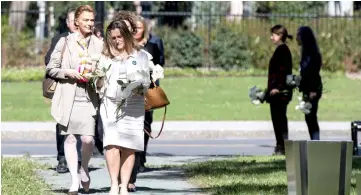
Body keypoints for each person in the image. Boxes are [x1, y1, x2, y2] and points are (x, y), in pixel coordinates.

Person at [46, 5, 103, 194]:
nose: (89, 23)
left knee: (87, 139)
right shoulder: (64, 42)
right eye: (85, 20)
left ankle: (84, 167)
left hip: (89, 97)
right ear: (76, 22)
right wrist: (68, 72)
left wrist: (95, 75)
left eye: (91, 20)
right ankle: (73, 180)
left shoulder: (99, 44)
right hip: (68, 95)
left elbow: (105, 70)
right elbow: (51, 68)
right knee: (70, 139)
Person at [97, 20, 150, 195]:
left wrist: (139, 86)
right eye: (113, 37)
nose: (116, 40)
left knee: (129, 145)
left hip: (133, 105)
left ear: (127, 36)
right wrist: (96, 78)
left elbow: (147, 82)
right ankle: (113, 184)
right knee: (111, 144)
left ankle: (124, 185)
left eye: (120, 36)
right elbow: (98, 83)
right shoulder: (104, 57)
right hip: (110, 103)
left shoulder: (140, 56)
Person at [44, 8, 77, 174]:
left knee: (81, 125)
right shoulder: (60, 39)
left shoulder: (89, 40)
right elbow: (48, 61)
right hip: (64, 87)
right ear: (68, 23)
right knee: (62, 124)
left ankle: (77, 159)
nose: (76, 24)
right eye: (73, 20)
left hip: (83, 89)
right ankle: (62, 158)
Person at [267, 25, 293, 155]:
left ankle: (282, 146)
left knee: (279, 119)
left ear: (280, 36)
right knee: (277, 118)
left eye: (274, 35)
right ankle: (280, 145)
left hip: (280, 92)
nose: (271, 37)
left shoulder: (283, 50)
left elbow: (283, 71)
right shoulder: (281, 50)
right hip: (275, 91)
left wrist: (278, 87)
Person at [296, 26, 323, 140]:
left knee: (311, 117)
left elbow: (312, 71)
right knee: (309, 117)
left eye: (298, 35)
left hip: (313, 88)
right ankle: (314, 141)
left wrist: (312, 90)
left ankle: (316, 142)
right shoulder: (306, 51)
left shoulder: (312, 53)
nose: (296, 37)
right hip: (308, 88)